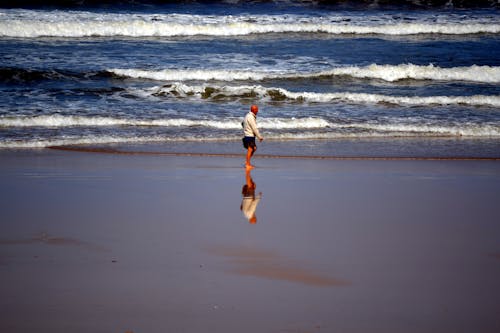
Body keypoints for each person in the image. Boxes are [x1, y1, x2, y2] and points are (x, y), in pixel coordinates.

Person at [242, 104, 264, 169]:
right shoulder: (251, 117)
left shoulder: (247, 115)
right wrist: (259, 137)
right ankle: (247, 164)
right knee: (250, 149)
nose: (257, 111)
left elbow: (242, 123)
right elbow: (254, 128)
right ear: (254, 110)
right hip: (249, 135)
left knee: (253, 148)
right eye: (257, 110)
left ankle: (247, 162)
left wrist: (245, 128)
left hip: (247, 135)